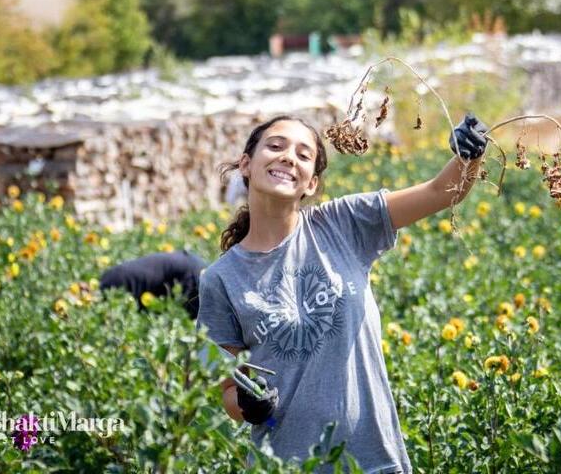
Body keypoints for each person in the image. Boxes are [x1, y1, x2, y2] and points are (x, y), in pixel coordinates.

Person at [197, 113, 488, 473]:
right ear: (246, 164)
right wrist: (247, 404)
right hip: (288, 465)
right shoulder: (220, 279)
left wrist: (469, 154)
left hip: (376, 461)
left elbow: (439, 191)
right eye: (275, 146)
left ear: (311, 183)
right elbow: (227, 389)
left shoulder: (343, 223)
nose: (288, 157)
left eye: (303, 155)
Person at [100, 249, 207, 319]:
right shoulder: (197, 279)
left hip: (116, 276)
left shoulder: (199, 269)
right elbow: (181, 318)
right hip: (121, 286)